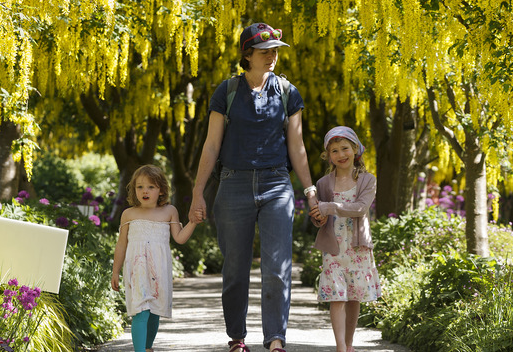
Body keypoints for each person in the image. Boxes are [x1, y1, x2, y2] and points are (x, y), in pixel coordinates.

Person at [189, 22, 319, 352]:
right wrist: (197, 192)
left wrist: (311, 191)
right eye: (265, 51)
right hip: (234, 184)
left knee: (277, 267)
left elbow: (298, 146)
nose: (273, 55)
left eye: (275, 50)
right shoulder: (227, 91)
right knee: (235, 270)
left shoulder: (288, 92)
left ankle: (276, 340)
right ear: (247, 55)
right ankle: (237, 338)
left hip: (277, 183)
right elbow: (211, 145)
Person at [112, 164, 201, 352]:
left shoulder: (169, 211)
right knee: (140, 311)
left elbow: (179, 238)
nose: (145, 191)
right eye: (140, 187)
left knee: (155, 313)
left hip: (159, 269)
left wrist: (192, 222)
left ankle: (147, 347)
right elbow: (121, 245)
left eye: (151, 187)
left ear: (161, 190)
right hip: (137, 270)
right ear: (134, 189)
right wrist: (115, 271)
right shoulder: (128, 214)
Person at [309, 126, 382, 352]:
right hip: (334, 247)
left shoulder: (367, 180)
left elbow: (360, 208)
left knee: (353, 297)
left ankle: (349, 344)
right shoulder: (322, 184)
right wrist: (318, 218)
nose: (341, 155)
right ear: (328, 155)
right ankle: (341, 347)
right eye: (334, 151)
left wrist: (326, 207)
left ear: (355, 149)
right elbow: (318, 216)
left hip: (357, 247)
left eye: (345, 149)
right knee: (337, 296)